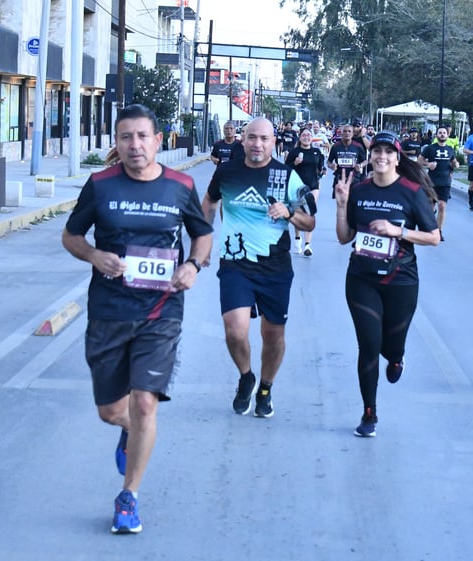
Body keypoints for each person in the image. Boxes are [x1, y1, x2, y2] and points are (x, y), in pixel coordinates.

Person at [61, 103, 213, 534]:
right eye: (126, 137)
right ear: (117, 142)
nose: (135, 145)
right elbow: (71, 235)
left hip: (161, 311)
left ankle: (129, 496)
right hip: (109, 310)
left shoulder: (180, 186)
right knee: (112, 410)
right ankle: (129, 430)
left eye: (143, 136)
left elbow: (202, 234)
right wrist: (94, 255)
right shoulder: (100, 185)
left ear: (158, 141)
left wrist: (193, 267)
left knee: (145, 401)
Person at [201, 117, 316, 419]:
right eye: (252, 137)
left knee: (273, 335)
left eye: (264, 139)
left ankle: (265, 387)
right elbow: (209, 203)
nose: (257, 144)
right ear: (242, 139)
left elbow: (310, 221)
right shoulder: (227, 172)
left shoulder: (287, 176)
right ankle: (246, 376)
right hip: (235, 263)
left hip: (275, 268)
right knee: (235, 331)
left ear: (274, 142)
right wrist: (203, 240)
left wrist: (290, 212)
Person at [334, 131, 441, 437]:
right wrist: (342, 205)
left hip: (401, 280)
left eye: (388, 152)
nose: (381, 157)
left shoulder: (411, 190)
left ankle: (396, 356)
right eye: (376, 151)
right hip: (362, 278)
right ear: (370, 156)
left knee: (390, 347)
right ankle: (369, 413)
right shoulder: (359, 188)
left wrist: (398, 231)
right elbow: (344, 238)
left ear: (397, 158)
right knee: (368, 344)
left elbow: (433, 237)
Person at [285, 127, 326, 256]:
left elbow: (320, 168)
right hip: (297, 187)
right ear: (300, 137)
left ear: (311, 137)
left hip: (313, 185)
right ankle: (298, 238)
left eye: (309, 135)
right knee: (299, 213)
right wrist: (295, 163)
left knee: (309, 212)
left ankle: (308, 245)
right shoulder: (294, 152)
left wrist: (323, 172)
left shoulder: (316, 152)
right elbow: (286, 168)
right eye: (304, 135)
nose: (306, 137)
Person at [418, 125, 459, 241]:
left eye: (444, 133)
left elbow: (454, 161)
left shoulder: (450, 149)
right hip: (432, 182)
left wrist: (456, 164)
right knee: (431, 207)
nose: (442, 134)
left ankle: (439, 231)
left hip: (445, 182)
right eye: (440, 133)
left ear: (447, 135)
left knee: (442, 206)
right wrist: (428, 165)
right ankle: (430, 228)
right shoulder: (430, 148)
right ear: (436, 135)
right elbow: (419, 160)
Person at [327, 123, 368, 198]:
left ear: (352, 134)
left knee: (353, 205)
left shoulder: (358, 146)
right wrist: (332, 166)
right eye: (345, 131)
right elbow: (328, 161)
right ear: (341, 133)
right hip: (339, 178)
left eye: (349, 131)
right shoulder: (335, 146)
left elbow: (365, 161)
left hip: (354, 179)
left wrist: (360, 165)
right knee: (340, 204)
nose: (347, 133)